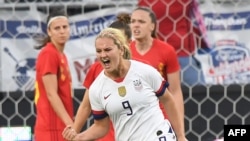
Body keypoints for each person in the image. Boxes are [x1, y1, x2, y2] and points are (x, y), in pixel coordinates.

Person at [70, 27, 186, 141]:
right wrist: (80, 137)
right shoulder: (96, 88)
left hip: (158, 135)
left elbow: (168, 99)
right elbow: (101, 126)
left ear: (121, 49)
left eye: (108, 50)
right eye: (99, 51)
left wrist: (181, 136)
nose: (103, 55)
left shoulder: (144, 71)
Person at [62, 13, 132, 141]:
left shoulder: (140, 69)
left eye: (120, 40)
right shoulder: (96, 69)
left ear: (128, 42)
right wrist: (74, 133)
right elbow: (86, 106)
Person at [130, 5, 186, 135]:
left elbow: (175, 91)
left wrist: (180, 131)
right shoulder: (124, 51)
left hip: (160, 118)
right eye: (133, 21)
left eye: (141, 21)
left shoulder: (167, 51)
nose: (136, 25)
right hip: (133, 119)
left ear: (152, 26)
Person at [34, 9, 74, 141]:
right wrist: (70, 123)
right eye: (57, 28)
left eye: (65, 27)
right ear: (49, 31)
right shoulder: (49, 54)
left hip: (60, 127)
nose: (62, 31)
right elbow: (51, 94)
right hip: (52, 129)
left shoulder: (60, 55)